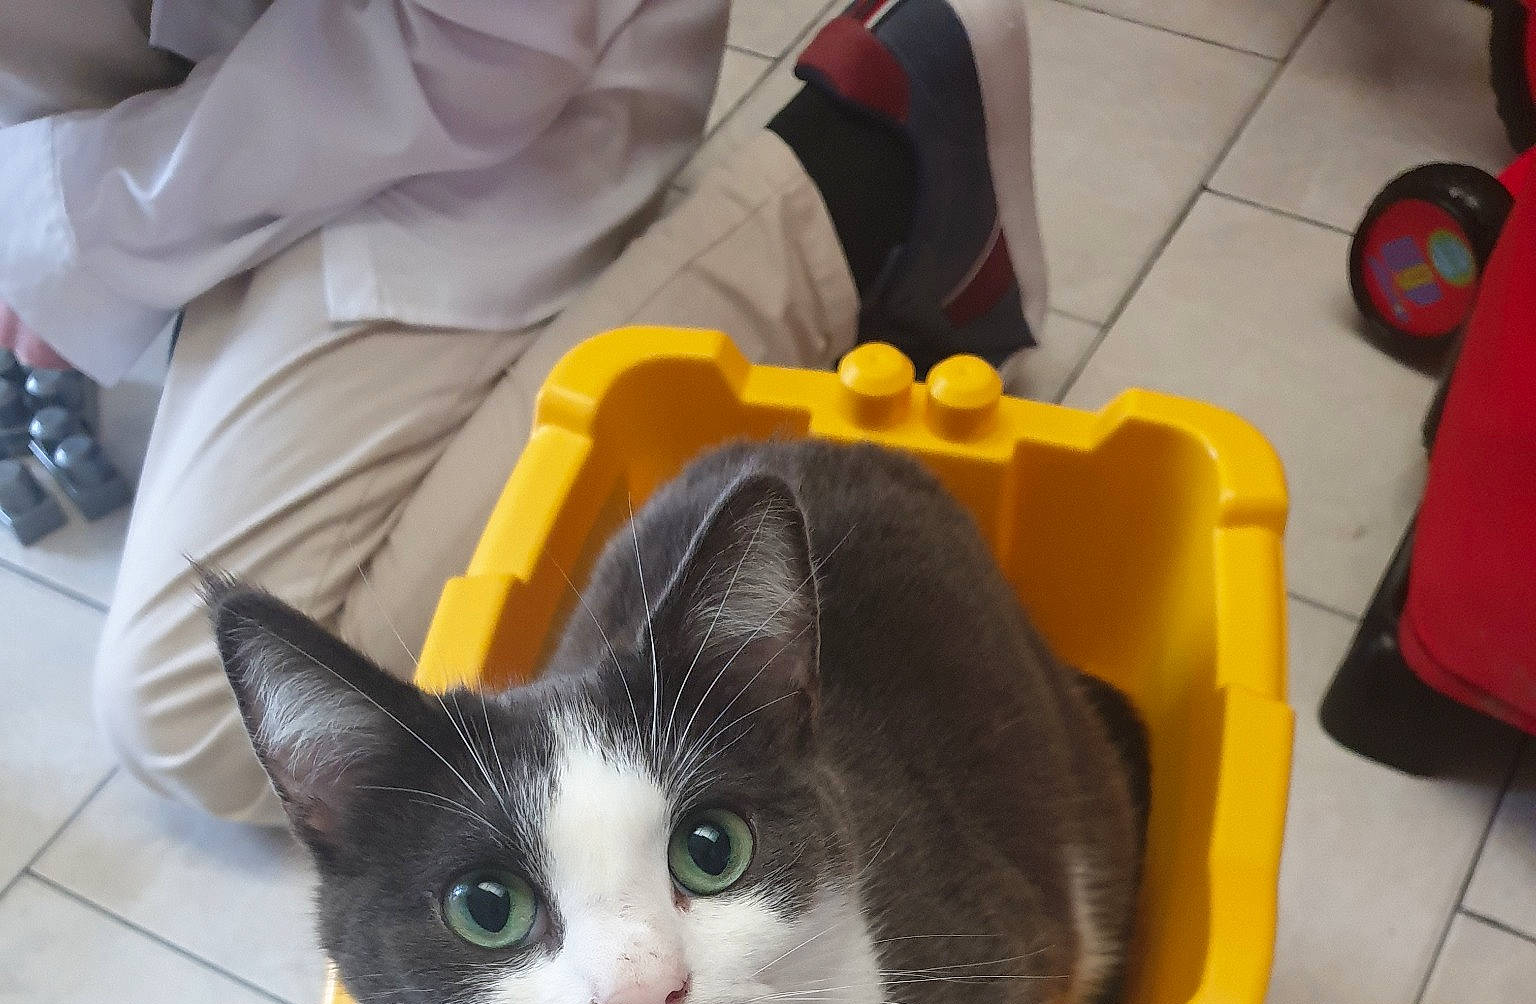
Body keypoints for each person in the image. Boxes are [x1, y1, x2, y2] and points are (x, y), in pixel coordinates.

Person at [0, 0, 1045, 825]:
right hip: (219, 114)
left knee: (197, 713)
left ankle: (864, 178)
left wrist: (67, 226)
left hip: (471, 81)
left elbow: (479, 45)